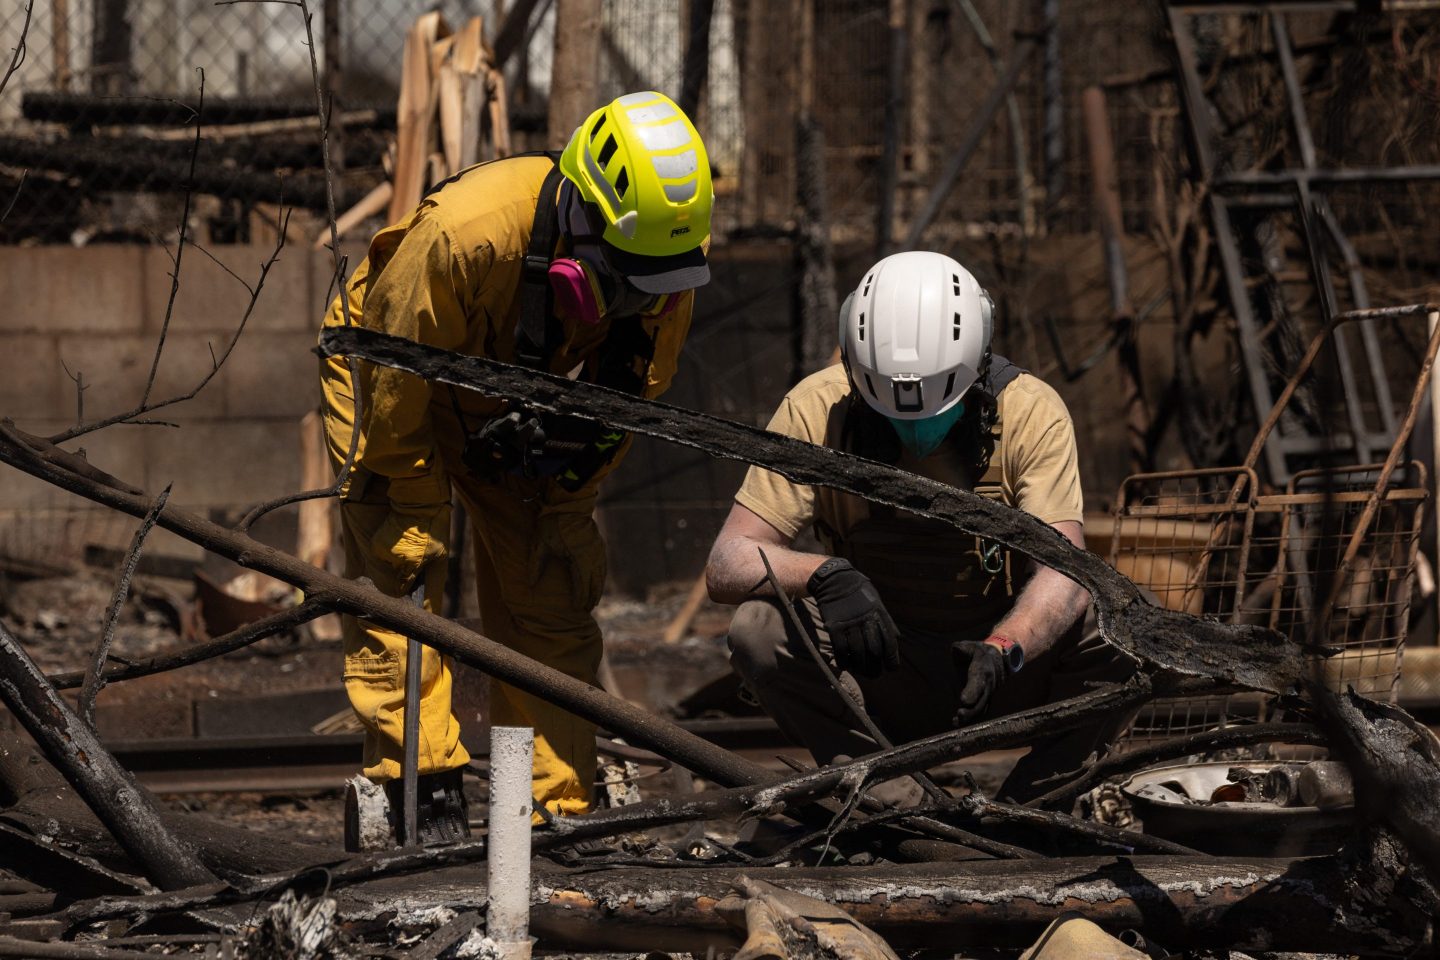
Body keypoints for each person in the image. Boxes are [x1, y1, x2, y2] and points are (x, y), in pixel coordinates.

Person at [319, 91, 713, 843]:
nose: (634, 303)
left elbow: (632, 398)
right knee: (401, 558)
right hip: (390, 365)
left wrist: (565, 468)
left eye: (650, 286)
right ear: (579, 216)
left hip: (513, 395)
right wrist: (407, 493)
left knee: (552, 574)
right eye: (622, 280)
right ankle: (418, 782)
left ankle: (553, 808)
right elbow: (396, 390)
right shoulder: (463, 235)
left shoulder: (664, 270)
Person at [705, 250, 1132, 805]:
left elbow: (1065, 571)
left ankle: (1031, 811)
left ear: (977, 367)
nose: (916, 435)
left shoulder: (1030, 411)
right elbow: (726, 562)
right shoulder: (816, 408)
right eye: (894, 416)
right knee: (758, 629)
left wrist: (1005, 647)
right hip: (883, 671)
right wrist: (824, 574)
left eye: (937, 412)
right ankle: (895, 803)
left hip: (996, 669)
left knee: (1125, 633)